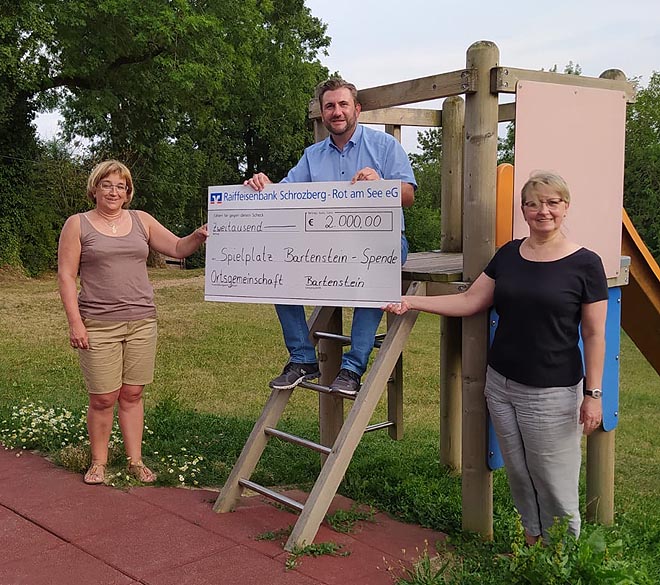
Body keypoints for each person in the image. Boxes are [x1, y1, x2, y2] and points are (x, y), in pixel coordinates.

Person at [384, 171, 607, 544]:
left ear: (565, 207)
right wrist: (412, 301)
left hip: (552, 391)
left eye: (552, 203)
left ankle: (562, 560)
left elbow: (595, 333)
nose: (543, 211)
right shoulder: (509, 254)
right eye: (533, 204)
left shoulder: (585, 264)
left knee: (553, 478)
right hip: (501, 384)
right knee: (519, 473)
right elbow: (472, 300)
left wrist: (593, 394)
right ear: (523, 210)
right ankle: (533, 546)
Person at [245, 77, 416, 394]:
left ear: (357, 109)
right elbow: (283, 196)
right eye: (329, 106)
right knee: (277, 270)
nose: (336, 111)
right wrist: (262, 186)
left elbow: (408, 196)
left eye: (342, 104)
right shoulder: (312, 156)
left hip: (381, 243)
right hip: (328, 245)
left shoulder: (384, 146)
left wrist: (380, 184)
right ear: (323, 113)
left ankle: (352, 370)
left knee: (374, 268)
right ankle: (302, 358)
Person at [57, 160, 208, 485]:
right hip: (98, 323)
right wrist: (75, 323)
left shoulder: (141, 220)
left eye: (120, 186)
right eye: (107, 185)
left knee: (133, 393)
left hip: (141, 321)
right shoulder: (77, 224)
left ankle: (134, 461)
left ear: (128, 193)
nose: (114, 191)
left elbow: (179, 248)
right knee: (103, 397)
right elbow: (67, 276)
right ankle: (98, 462)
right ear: (95, 189)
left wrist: (198, 235)